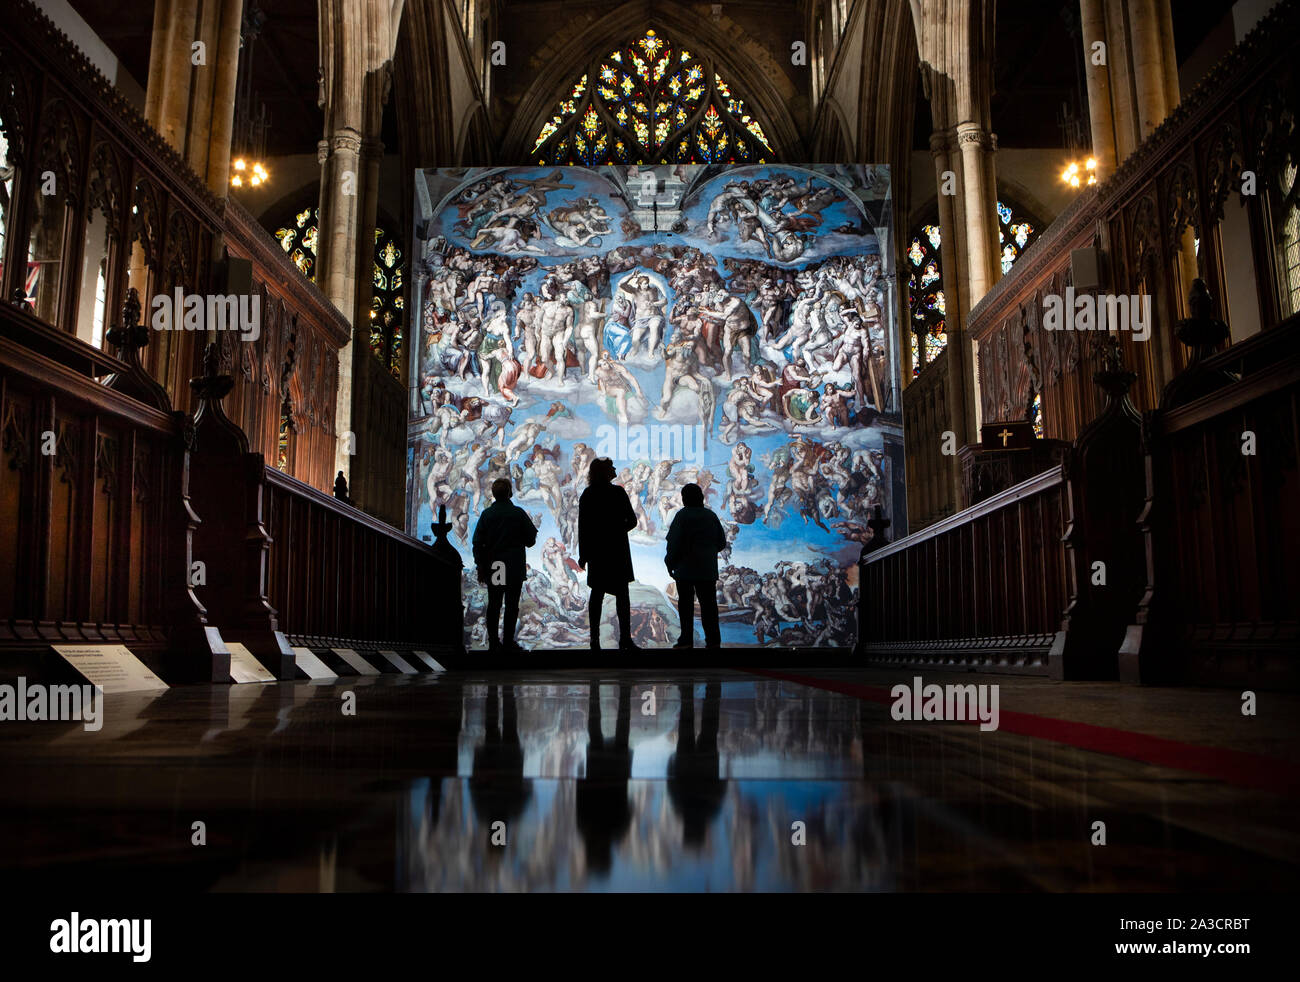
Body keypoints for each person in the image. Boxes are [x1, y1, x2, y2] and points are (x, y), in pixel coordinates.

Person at [578, 457, 639, 650]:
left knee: (596, 594)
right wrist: (616, 531)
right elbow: (632, 521)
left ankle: (594, 641)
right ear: (605, 472)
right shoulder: (618, 492)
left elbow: (584, 527)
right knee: (622, 595)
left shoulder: (588, 494)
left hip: (597, 551)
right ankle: (625, 640)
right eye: (611, 467)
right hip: (617, 550)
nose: (614, 469)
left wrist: (584, 554)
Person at [472, 478, 538, 653]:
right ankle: (508, 642)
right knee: (511, 605)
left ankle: (494, 643)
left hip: (496, 566)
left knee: (494, 604)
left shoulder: (487, 515)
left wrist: (480, 566)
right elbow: (531, 540)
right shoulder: (518, 513)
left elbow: (477, 542)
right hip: (514, 565)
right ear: (510, 492)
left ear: (493, 494)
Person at [664, 483, 728, 649]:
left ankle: (686, 640)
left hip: (684, 569)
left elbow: (673, 542)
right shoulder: (710, 516)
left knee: (685, 606)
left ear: (685, 499)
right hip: (707, 569)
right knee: (709, 606)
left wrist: (670, 562)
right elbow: (721, 542)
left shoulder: (682, 516)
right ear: (701, 497)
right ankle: (713, 642)